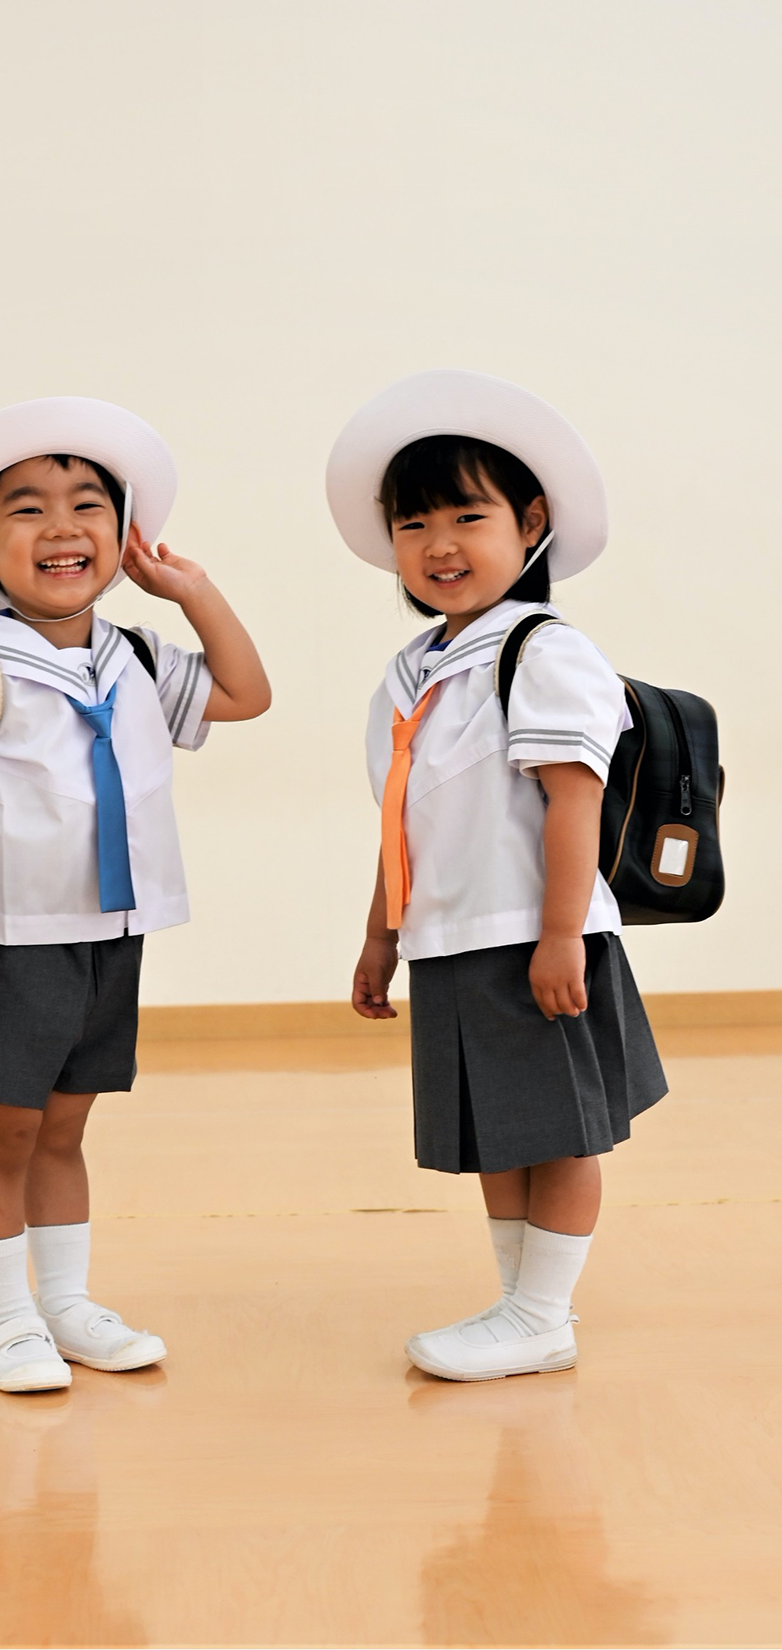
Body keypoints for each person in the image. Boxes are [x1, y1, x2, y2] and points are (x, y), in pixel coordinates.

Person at [0, 396, 270, 1393]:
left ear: (121, 533)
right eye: (28, 509)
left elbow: (245, 693)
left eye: (87, 504)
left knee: (65, 1129)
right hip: (7, 942)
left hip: (110, 933)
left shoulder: (134, 657)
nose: (62, 527)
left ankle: (64, 1302)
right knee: (4, 1133)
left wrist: (190, 592)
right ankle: (7, 1320)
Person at [326, 370, 666, 1381]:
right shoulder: (415, 670)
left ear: (531, 525)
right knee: (501, 1132)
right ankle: (522, 1306)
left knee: (560, 1138)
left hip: (529, 935)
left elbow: (573, 802)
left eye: (468, 517)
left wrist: (561, 936)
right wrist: (382, 934)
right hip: (452, 938)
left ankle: (542, 1314)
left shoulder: (542, 652)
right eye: (414, 524)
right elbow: (404, 818)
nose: (439, 544)